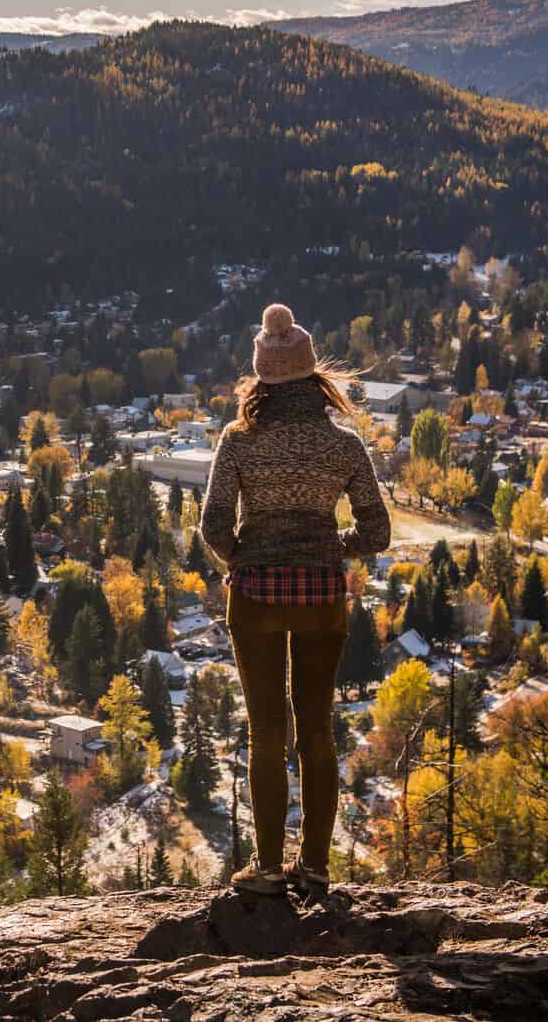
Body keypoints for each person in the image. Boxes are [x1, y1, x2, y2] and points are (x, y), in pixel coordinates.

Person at [199, 303, 390, 896]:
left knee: (266, 732)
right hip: (321, 598)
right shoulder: (343, 443)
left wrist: (247, 557)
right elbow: (378, 531)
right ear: (311, 375)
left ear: (260, 375)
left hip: (254, 597)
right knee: (316, 730)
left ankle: (266, 868)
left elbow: (212, 526)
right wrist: (329, 547)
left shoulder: (238, 441)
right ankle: (314, 867)